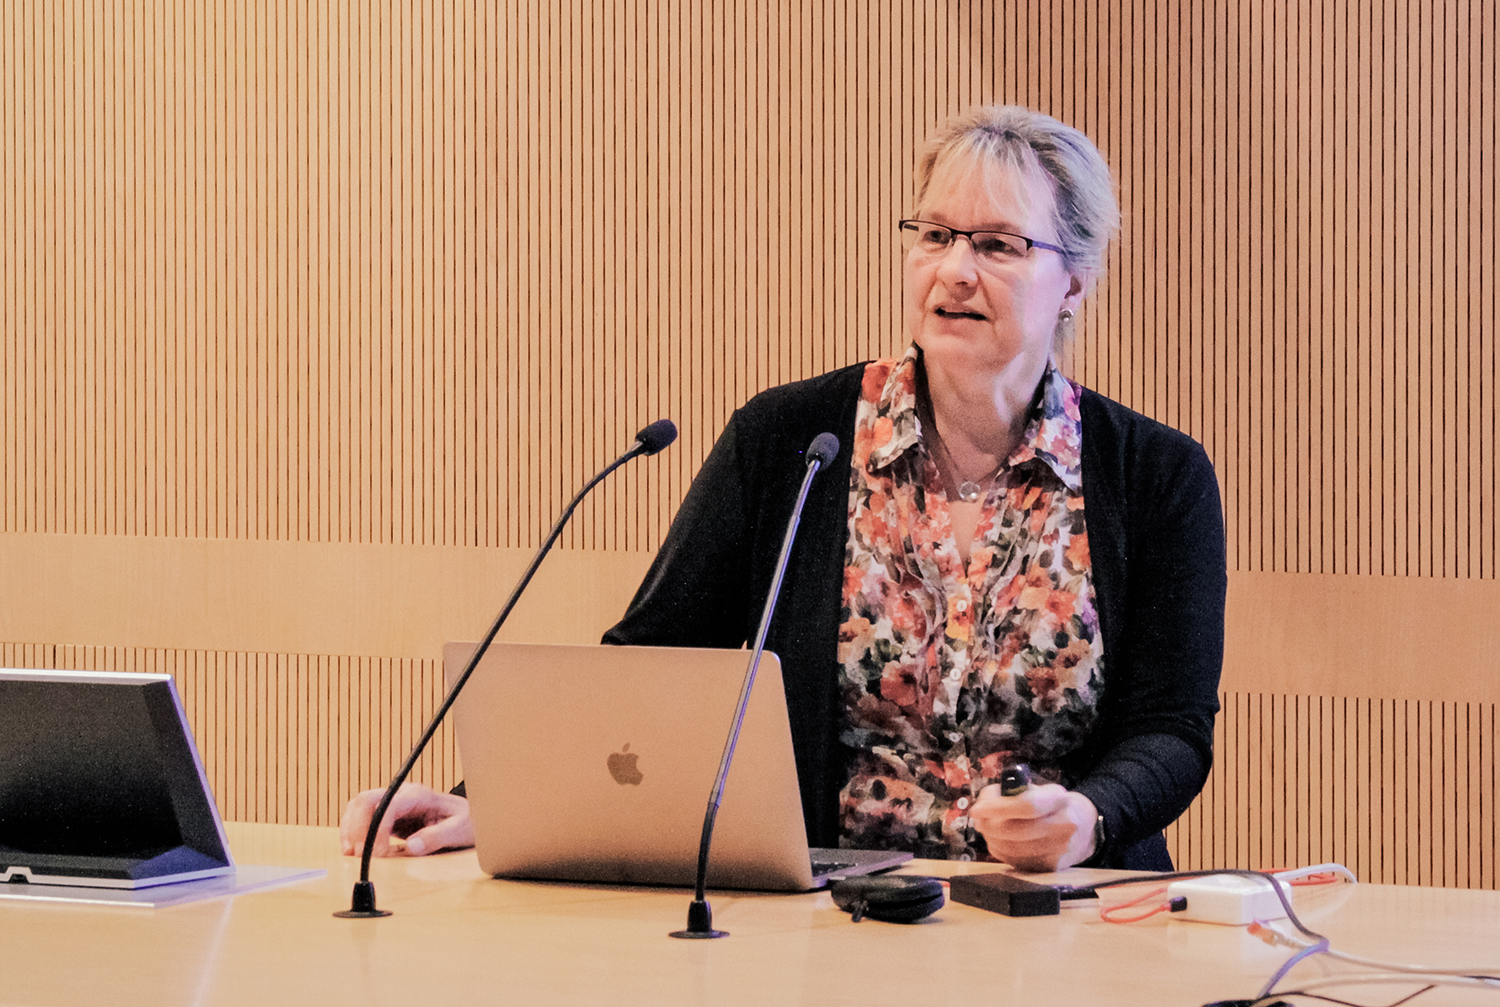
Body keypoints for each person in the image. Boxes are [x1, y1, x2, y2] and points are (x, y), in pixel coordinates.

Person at [341, 105, 1226, 872]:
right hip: (829, 917)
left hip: (1062, 915)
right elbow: (654, 667)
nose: (956, 269)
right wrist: (497, 799)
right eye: (935, 236)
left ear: (1073, 280)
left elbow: (1172, 728)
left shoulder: (1156, 477)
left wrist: (1090, 815)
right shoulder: (790, 441)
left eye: (998, 244)